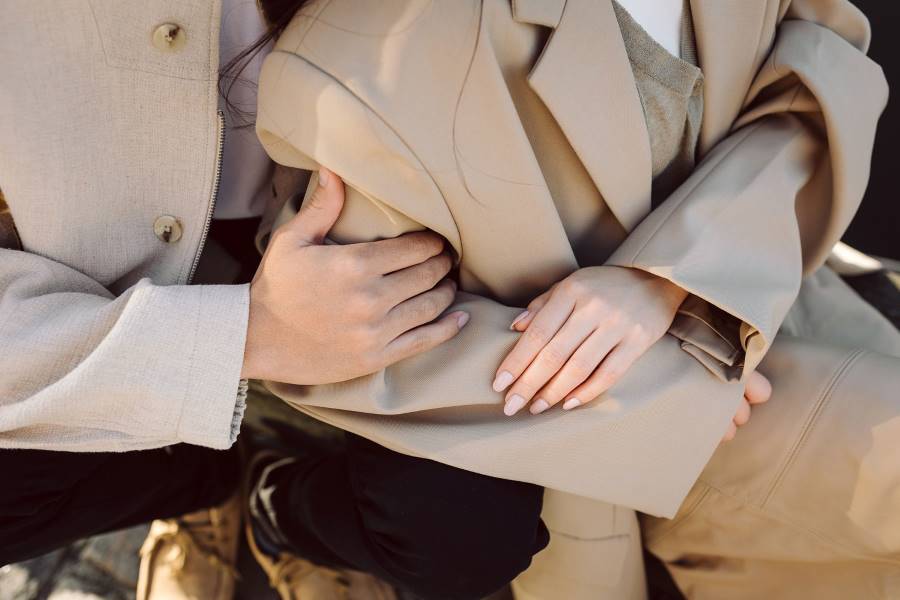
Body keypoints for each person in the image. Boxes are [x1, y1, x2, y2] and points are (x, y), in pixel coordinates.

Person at [247, 0, 900, 598]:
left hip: (777, 282)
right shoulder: (364, 65)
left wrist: (669, 272)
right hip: (626, 437)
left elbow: (820, 65)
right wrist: (666, 386)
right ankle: (276, 512)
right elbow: (348, 341)